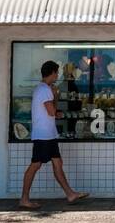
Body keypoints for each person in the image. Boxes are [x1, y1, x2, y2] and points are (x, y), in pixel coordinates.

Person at [19, 60, 90, 210]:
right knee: (35, 165)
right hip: (43, 135)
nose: (58, 75)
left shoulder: (43, 88)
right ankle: (24, 199)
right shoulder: (45, 89)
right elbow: (51, 112)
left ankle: (70, 194)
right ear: (51, 73)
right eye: (57, 72)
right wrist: (56, 96)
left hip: (48, 135)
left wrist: (55, 100)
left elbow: (50, 111)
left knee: (58, 164)